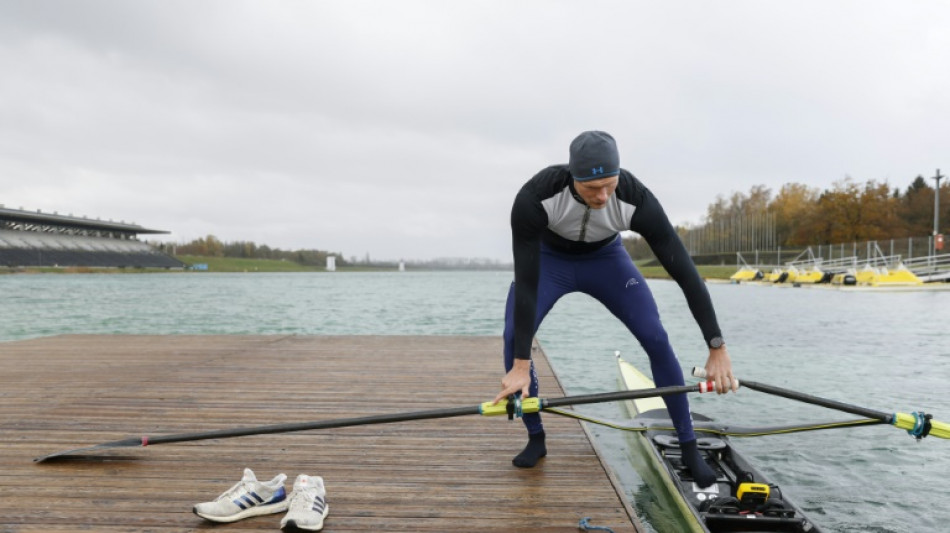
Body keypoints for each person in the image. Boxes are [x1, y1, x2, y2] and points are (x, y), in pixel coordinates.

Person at [492, 130, 736, 487]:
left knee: (655, 335)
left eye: (610, 185)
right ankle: (536, 438)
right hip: (550, 261)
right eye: (592, 189)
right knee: (515, 336)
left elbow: (685, 273)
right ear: (573, 178)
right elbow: (527, 283)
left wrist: (717, 346)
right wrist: (520, 365)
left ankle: (688, 446)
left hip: (607, 261)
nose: (604, 196)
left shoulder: (637, 198)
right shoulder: (535, 197)